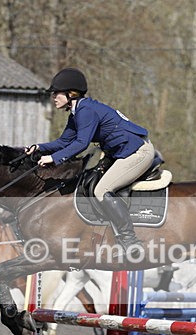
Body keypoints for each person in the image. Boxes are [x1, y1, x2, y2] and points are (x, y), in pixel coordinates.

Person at [26, 67, 154, 260]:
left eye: (56, 93)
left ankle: (130, 241)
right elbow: (64, 142)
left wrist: (53, 158)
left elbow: (81, 143)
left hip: (137, 153)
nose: (53, 97)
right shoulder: (77, 113)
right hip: (121, 152)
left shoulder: (85, 111)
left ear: (71, 94)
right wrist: (39, 148)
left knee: (101, 190)